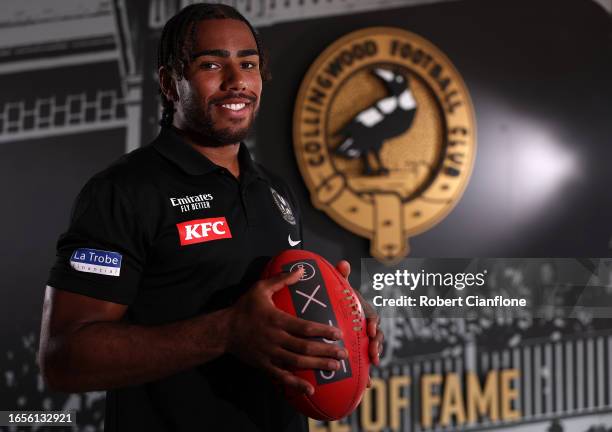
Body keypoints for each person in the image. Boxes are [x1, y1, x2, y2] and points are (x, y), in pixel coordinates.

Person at [39, 4, 383, 432]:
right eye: (211, 64)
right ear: (170, 82)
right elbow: (64, 359)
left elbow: (278, 309)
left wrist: (342, 319)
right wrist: (225, 332)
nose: (237, 81)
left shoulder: (274, 189)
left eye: (249, 64)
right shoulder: (124, 190)